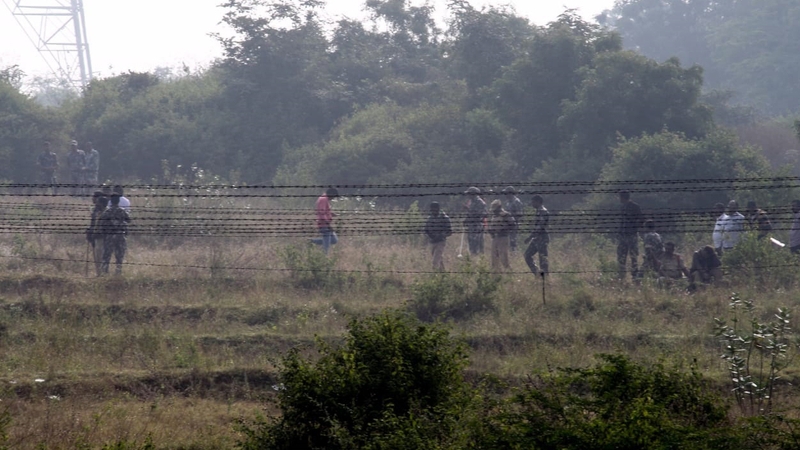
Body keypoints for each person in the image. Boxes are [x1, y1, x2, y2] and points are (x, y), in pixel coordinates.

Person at [98, 194, 131, 275]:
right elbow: (128, 220)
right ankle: (118, 271)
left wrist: (104, 233)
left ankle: (105, 272)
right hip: (120, 235)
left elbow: (102, 224)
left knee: (107, 255)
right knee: (119, 255)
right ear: (118, 201)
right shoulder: (122, 211)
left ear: (111, 201)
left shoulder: (107, 212)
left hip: (109, 236)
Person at [617, 190, 644, 280]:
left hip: (632, 235)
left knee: (633, 256)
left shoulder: (635, 206)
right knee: (621, 256)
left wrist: (634, 226)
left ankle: (634, 276)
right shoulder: (622, 207)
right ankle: (622, 276)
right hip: (623, 235)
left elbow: (641, 220)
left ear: (623, 197)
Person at [524, 195, 549, 275]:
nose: (532, 204)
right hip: (537, 238)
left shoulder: (543, 211)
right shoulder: (539, 211)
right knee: (527, 255)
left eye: (533, 202)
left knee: (542, 259)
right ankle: (537, 273)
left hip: (542, 238)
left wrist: (530, 237)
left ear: (538, 202)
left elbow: (539, 227)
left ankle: (545, 277)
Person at [423, 202, 452, 271]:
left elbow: (449, 231)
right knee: (438, 258)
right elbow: (426, 230)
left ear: (438, 209)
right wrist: (430, 236)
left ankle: (434, 274)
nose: (433, 211)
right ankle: (443, 273)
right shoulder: (430, 219)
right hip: (432, 241)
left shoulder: (444, 218)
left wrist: (441, 235)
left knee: (435, 260)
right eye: (432, 210)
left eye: (435, 209)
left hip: (441, 242)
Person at [488, 199, 515, 270]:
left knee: (503, 256)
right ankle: (496, 272)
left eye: (495, 209)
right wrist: (491, 231)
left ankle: (508, 271)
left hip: (503, 237)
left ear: (499, 207)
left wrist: (502, 229)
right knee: (494, 256)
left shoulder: (506, 215)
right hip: (495, 238)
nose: (494, 211)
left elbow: (513, 225)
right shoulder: (494, 216)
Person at [311, 187, 339, 254]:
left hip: (325, 223)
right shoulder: (323, 199)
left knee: (334, 240)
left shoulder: (325, 199)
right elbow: (321, 213)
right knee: (326, 244)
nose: (333, 198)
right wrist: (327, 224)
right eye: (333, 196)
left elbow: (324, 211)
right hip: (324, 224)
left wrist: (331, 213)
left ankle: (311, 241)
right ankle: (324, 256)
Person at [87, 192, 108, 276]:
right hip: (95, 236)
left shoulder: (105, 212)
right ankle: (98, 273)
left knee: (100, 255)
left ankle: (101, 274)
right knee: (96, 256)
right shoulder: (95, 211)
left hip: (101, 237)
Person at [463, 187, 487, 255]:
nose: (468, 195)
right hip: (471, 226)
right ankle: (472, 255)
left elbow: (479, 215)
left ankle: (478, 256)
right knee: (471, 242)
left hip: (477, 226)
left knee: (477, 242)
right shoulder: (471, 202)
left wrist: (468, 210)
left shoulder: (480, 203)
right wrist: (466, 220)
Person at [502, 186, 524, 252]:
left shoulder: (516, 201)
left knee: (513, 241)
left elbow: (519, 214)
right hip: (507, 225)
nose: (505, 195)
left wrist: (512, 219)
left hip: (514, 225)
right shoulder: (508, 202)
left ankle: (514, 254)